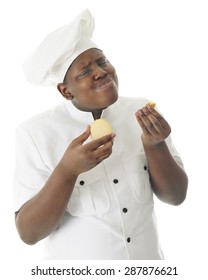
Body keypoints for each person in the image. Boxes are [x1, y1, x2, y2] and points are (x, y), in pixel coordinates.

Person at [13, 9, 188, 260]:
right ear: (65, 91)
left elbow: (176, 196)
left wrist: (155, 145)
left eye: (102, 61)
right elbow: (28, 233)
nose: (101, 71)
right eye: (85, 72)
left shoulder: (142, 114)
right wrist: (67, 171)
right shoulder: (35, 133)